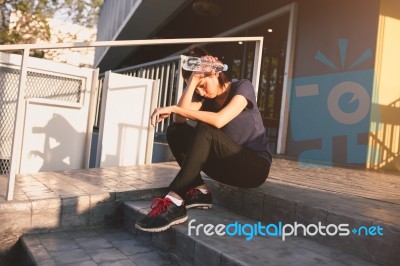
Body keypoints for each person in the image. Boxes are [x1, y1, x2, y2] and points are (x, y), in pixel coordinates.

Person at [135, 46, 272, 232]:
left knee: (205, 127)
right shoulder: (204, 100)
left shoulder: (242, 87)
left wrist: (174, 108)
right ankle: (200, 191)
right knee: (176, 131)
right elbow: (179, 120)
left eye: (203, 84)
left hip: (254, 169)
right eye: (196, 88)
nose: (200, 92)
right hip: (226, 168)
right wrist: (193, 80)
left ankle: (175, 199)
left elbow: (219, 120)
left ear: (215, 74)